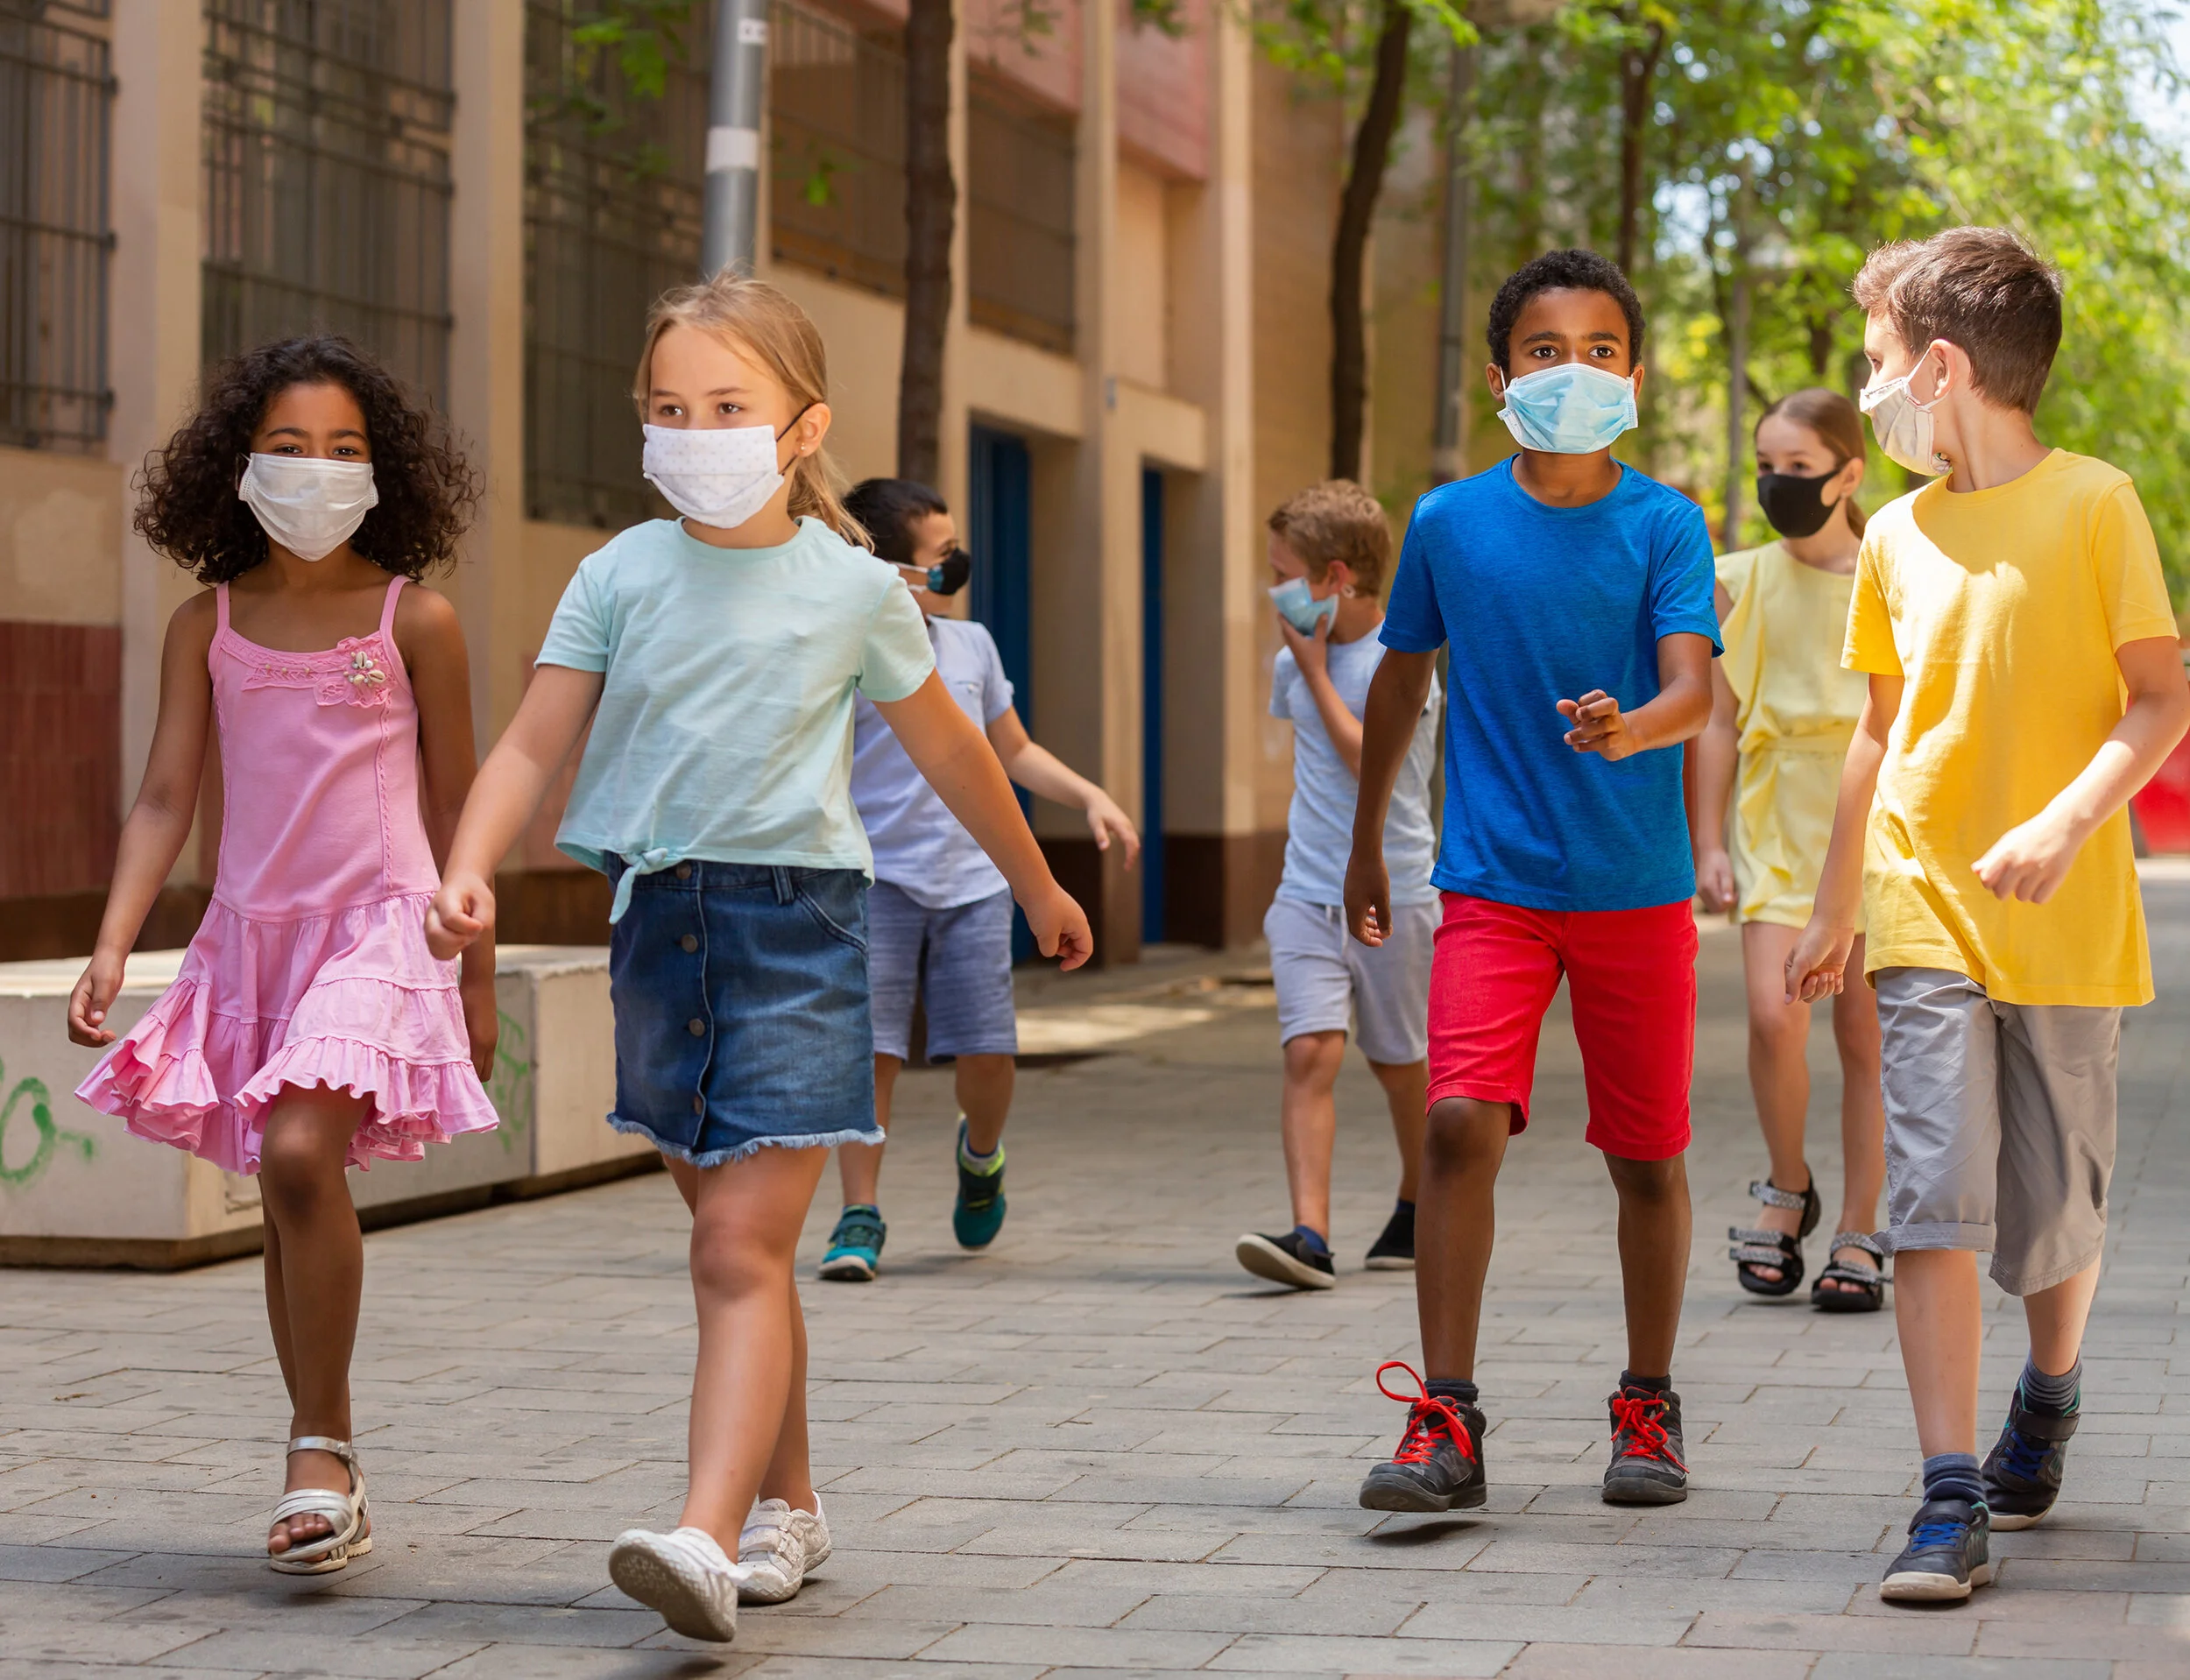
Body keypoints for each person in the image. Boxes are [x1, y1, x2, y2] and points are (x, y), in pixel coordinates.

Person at [424, 274, 1091, 1645]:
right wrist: (468, 863)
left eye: (728, 406)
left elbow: (956, 752)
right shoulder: (618, 574)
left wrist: (1035, 882)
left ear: (803, 427)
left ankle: (704, 1535)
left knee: (736, 1246)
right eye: (669, 408)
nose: (695, 433)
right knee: (742, 1253)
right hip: (657, 934)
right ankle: (791, 1502)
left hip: (801, 932)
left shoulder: (853, 589)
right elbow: (533, 741)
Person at [1787, 228, 2190, 1605]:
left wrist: (2066, 822)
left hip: (2069, 921)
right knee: (1931, 1198)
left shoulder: (2098, 504)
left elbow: (2160, 696)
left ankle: (2050, 1390)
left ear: (1941, 366)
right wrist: (1835, 903)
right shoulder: (1895, 535)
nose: (1872, 385)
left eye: (1880, 358)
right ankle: (1947, 1492)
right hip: (1923, 911)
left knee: (2055, 1216)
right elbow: (1879, 728)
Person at [67, 336, 500, 1575]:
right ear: (239, 465)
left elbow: (461, 804)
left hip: (383, 928)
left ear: (383, 470)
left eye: (344, 449)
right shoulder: (205, 623)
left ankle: (322, 1449)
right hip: (252, 936)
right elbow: (165, 795)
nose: (317, 469)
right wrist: (114, 942)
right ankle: (325, 1455)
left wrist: (477, 981)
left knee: (302, 1153)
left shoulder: (417, 619)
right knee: (286, 1187)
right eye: (289, 447)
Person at [1343, 249, 1720, 1514]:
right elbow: (1401, 677)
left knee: (1647, 1159)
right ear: (1501, 379)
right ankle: (1444, 1416)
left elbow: (1692, 689)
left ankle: (1647, 1406)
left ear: (1636, 377)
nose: (1576, 370)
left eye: (1601, 350)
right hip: (1492, 882)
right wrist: (1365, 842)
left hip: (1636, 886)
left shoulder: (1665, 522)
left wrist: (1631, 728)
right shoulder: (1449, 522)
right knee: (1458, 1120)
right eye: (1546, 351)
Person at [819, 476, 1138, 1281]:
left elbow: (1012, 750)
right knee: (870, 1051)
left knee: (988, 1054)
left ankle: (982, 1154)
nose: (957, 564)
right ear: (889, 570)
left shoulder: (973, 645)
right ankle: (859, 1212)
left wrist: (1090, 796)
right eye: (942, 554)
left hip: (975, 880)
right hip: (876, 880)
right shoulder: (844, 647)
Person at [1690, 389, 1886, 1310]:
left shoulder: (1895, 574)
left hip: (1876, 823)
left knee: (1865, 1036)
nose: (1777, 484)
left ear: (1848, 474)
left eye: (1798, 469)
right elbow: (1715, 721)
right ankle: (1787, 1182)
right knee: (1776, 1018)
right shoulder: (1736, 580)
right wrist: (1708, 842)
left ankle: (1859, 1224)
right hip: (1774, 822)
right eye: (1766, 467)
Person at [1233, 481, 1441, 1290]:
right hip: (1305, 890)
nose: (1273, 588)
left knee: (1400, 1063)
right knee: (1309, 1053)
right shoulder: (1291, 662)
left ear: (1335, 577)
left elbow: (1367, 762)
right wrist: (1307, 667)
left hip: (1398, 892)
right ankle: (1310, 1236)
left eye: (1283, 572)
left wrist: (1317, 672)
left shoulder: (1404, 655)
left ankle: (1419, 1204)